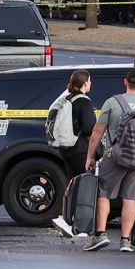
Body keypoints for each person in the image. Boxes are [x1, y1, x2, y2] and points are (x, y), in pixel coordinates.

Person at [83, 67, 135, 252]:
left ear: (125, 82)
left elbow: (97, 132)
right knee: (130, 198)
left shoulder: (112, 102)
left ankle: (100, 235)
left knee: (103, 194)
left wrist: (90, 156)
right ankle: (125, 241)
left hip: (113, 157)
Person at [50, 69, 97, 237]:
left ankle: (65, 219)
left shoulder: (66, 99)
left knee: (71, 184)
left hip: (66, 149)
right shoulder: (84, 101)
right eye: (89, 81)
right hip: (80, 149)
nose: (90, 83)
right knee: (83, 186)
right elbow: (89, 127)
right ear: (85, 83)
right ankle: (79, 224)